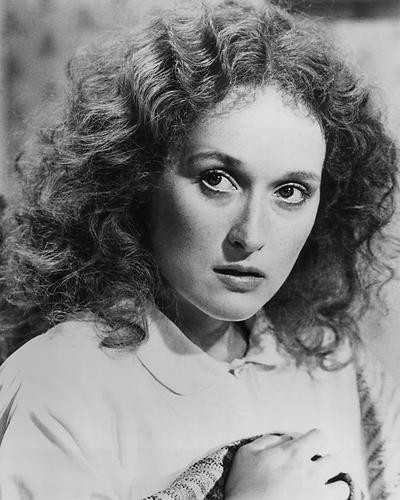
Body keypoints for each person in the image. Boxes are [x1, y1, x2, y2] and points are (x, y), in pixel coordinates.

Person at [0, 0, 399, 498]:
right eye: (218, 179)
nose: (251, 235)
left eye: (291, 191)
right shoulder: (60, 384)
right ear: (138, 178)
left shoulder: (335, 365)